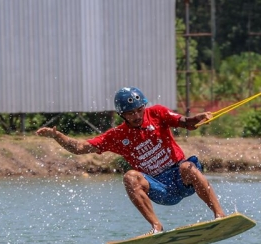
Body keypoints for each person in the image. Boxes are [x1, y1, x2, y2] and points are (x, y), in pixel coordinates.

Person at [36, 87, 226, 234]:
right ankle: (156, 228)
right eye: (130, 113)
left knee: (188, 166)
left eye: (138, 110)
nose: (136, 116)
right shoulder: (117, 136)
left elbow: (186, 123)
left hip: (180, 177)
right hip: (159, 188)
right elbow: (79, 148)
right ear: (122, 114)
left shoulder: (157, 113)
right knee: (130, 177)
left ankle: (219, 216)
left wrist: (197, 118)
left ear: (143, 106)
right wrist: (58, 137)